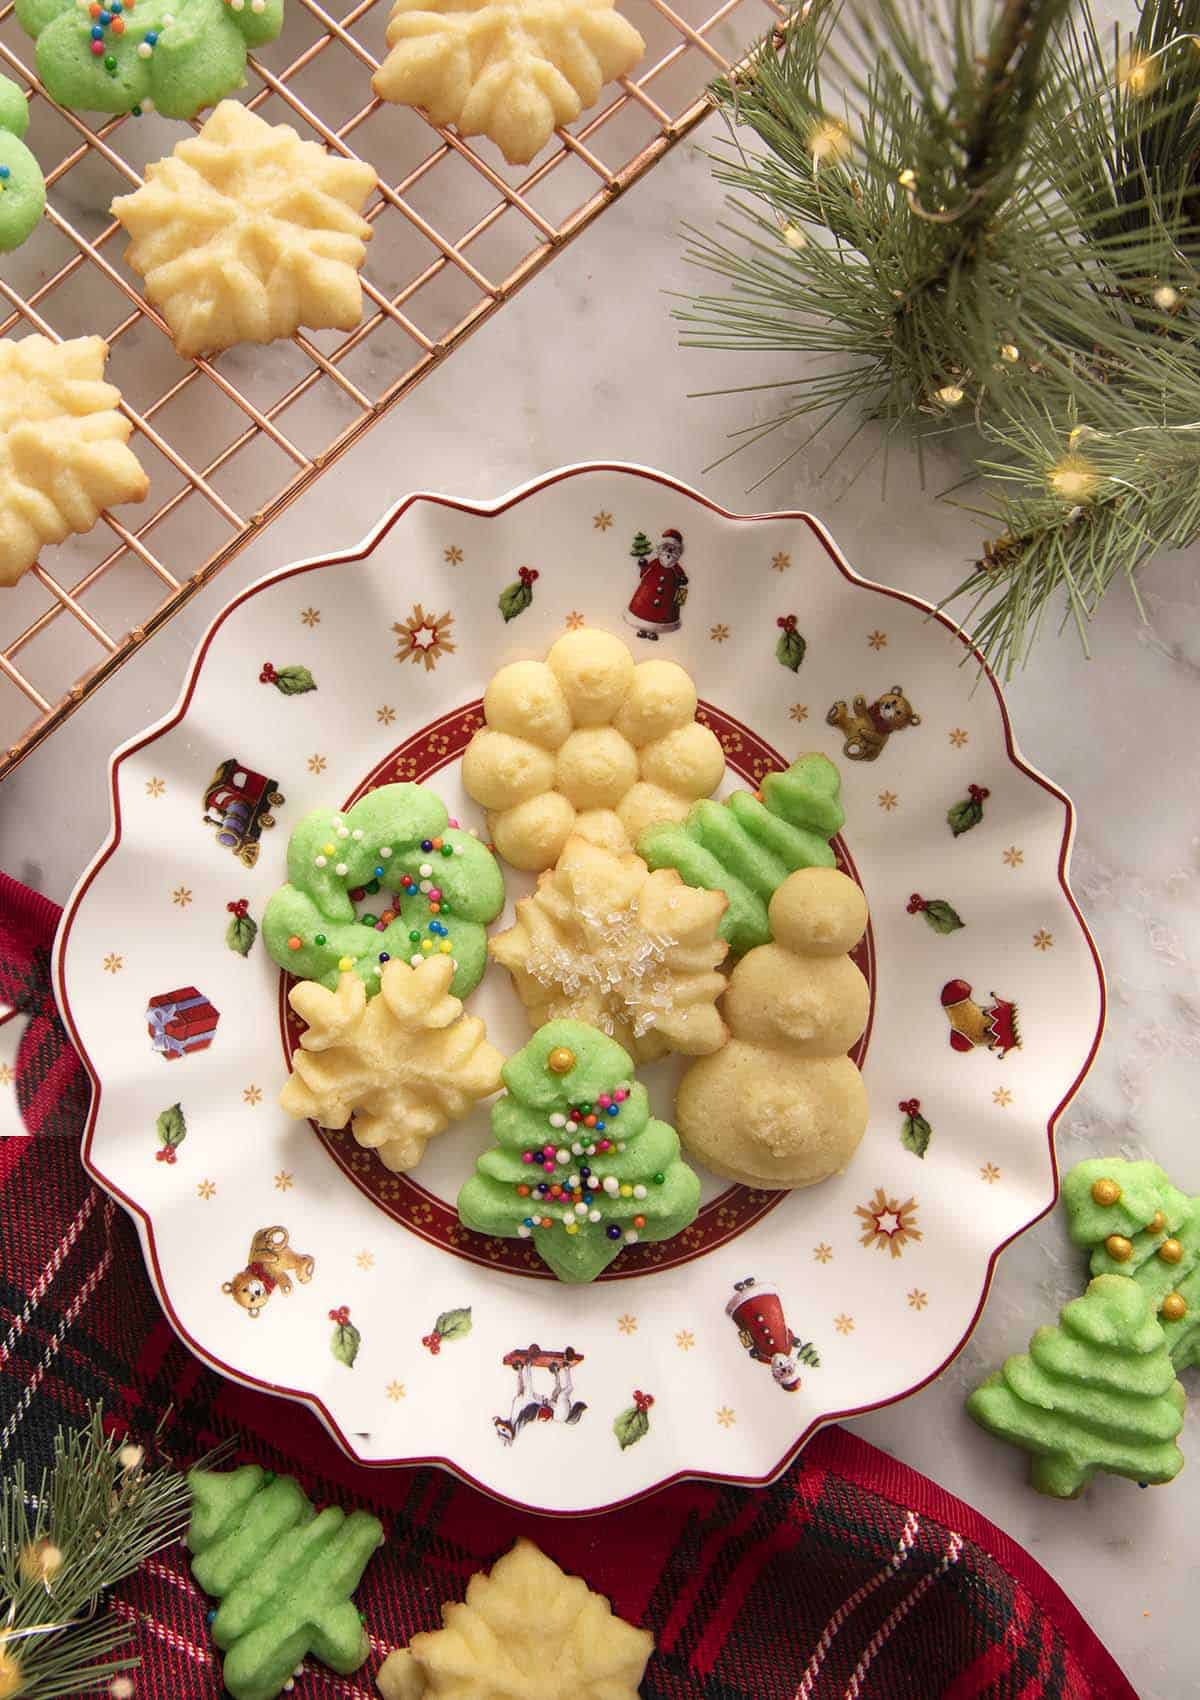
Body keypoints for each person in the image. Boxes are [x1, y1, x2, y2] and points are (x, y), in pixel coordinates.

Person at [624, 528, 688, 639]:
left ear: (678, 552)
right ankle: (643, 630)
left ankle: (653, 632)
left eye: (673, 549)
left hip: (666, 599)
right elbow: (644, 573)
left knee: (660, 616)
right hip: (647, 596)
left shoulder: (675, 568)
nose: (669, 552)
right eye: (666, 548)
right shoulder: (655, 563)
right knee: (644, 611)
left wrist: (682, 579)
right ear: (660, 549)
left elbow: (681, 576)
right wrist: (643, 565)